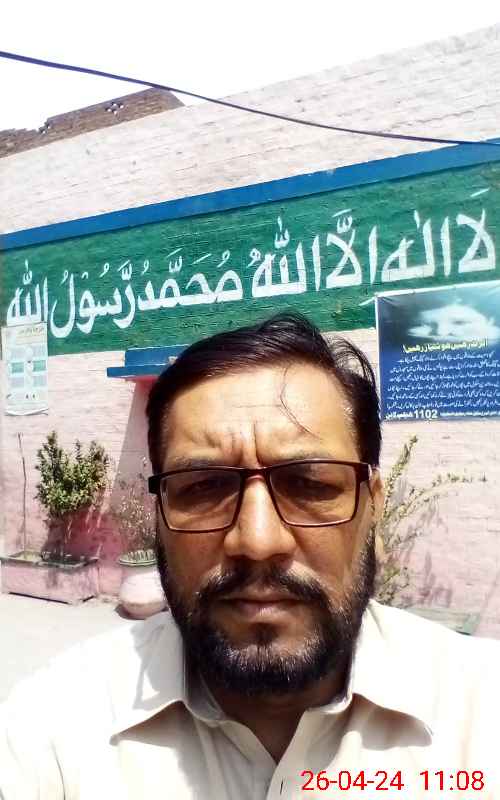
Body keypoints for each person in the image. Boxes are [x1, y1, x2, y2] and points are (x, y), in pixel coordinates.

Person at [1, 312, 499, 799]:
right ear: (159, 517)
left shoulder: (479, 714)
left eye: (309, 483)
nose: (257, 541)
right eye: (204, 486)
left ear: (373, 509)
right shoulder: (52, 729)